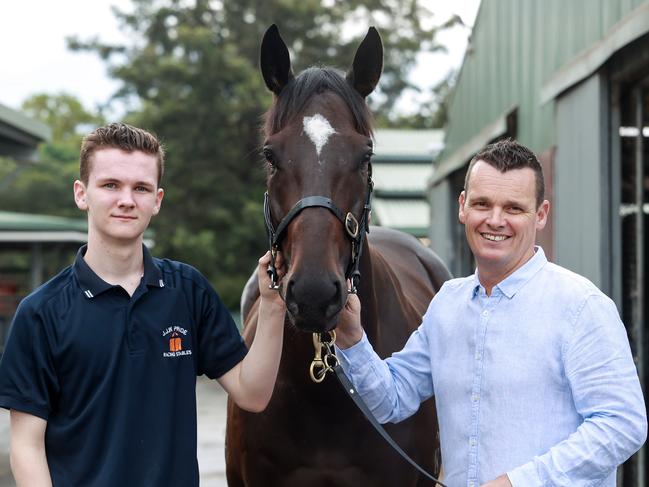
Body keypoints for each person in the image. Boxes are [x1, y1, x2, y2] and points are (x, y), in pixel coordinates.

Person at [335, 139, 647, 487]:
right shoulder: (447, 305)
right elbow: (390, 400)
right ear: (463, 206)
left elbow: (622, 423)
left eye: (514, 208)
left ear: (541, 214)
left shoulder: (581, 307)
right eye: (483, 204)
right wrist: (351, 338)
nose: (495, 220)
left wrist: (518, 483)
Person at [0, 122, 286, 486]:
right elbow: (26, 447)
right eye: (110, 185)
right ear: (81, 193)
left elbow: (253, 394)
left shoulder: (188, 292)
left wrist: (274, 305)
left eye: (141, 188)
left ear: (157, 200)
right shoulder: (40, 313)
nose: (126, 199)